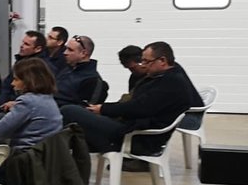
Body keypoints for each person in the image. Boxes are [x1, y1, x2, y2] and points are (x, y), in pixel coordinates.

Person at [60, 41, 201, 154]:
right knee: (75, 130)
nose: (143, 65)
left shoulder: (171, 83)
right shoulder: (165, 77)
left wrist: (104, 109)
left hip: (136, 138)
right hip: (133, 129)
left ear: (162, 60)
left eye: (146, 62)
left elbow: (139, 107)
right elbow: (137, 104)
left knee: (69, 111)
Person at [0, 57, 63, 151]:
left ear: (28, 81)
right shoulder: (48, 99)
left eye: (16, 79)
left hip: (24, 158)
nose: (12, 83)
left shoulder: (27, 102)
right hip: (43, 156)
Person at [0, 30, 50, 111]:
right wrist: (1, 104)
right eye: (23, 42)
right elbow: (7, 85)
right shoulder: (20, 62)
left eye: (26, 44)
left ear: (38, 49)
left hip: (23, 108)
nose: (22, 46)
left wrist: (14, 103)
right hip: (6, 105)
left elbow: (34, 94)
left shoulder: (41, 67)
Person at [54, 35, 102, 107]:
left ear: (83, 53)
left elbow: (84, 110)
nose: (65, 53)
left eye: (70, 50)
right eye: (66, 49)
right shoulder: (66, 70)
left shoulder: (92, 80)